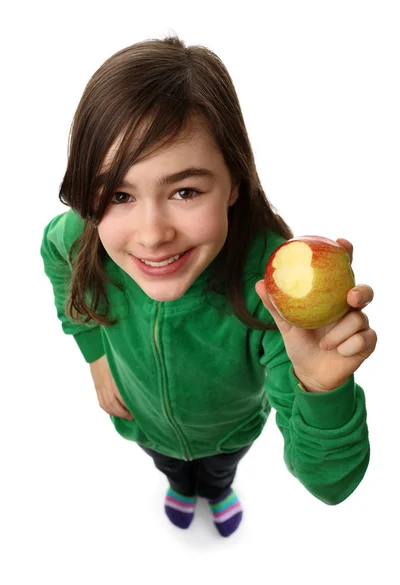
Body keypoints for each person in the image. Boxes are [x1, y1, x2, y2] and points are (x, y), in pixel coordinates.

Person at [40, 35, 377, 538]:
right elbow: (56, 260)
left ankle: (218, 490)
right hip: (146, 425)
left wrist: (323, 389)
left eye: (185, 191)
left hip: (227, 435)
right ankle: (179, 485)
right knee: (171, 468)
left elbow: (331, 484)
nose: (153, 234)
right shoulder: (77, 237)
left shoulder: (271, 296)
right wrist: (96, 354)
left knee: (217, 472)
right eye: (119, 194)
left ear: (234, 182)